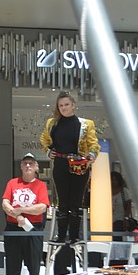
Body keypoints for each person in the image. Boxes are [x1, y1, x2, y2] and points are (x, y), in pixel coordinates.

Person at [40, 91, 100, 244]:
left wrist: (92, 155)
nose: (64, 108)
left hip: (79, 164)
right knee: (62, 200)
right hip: (60, 163)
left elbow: (93, 143)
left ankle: (74, 236)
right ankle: (61, 236)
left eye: (66, 105)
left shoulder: (86, 124)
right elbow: (44, 139)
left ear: (73, 105)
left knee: (76, 201)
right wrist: (48, 151)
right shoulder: (52, 123)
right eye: (60, 105)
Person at [2, 153, 49, 275]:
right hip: (13, 228)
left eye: (31, 163)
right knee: (13, 266)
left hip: (33, 229)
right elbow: (5, 204)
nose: (28, 165)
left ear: (36, 167)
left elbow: (42, 207)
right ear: (21, 166)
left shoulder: (40, 185)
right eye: (25, 163)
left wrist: (21, 210)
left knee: (33, 266)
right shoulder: (12, 183)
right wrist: (18, 217)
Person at [111, 171, 132, 241]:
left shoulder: (124, 191)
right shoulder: (106, 191)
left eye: (115, 180)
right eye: (112, 180)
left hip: (119, 219)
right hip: (107, 219)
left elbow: (128, 205)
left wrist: (126, 218)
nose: (113, 182)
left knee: (117, 237)